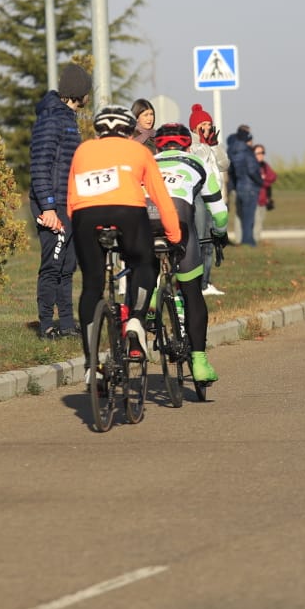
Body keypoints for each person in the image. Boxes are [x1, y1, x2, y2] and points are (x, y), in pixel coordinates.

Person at [68, 106, 182, 374]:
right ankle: (136, 320)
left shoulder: (83, 150)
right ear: (130, 130)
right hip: (129, 212)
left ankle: (91, 365)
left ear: (98, 130)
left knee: (91, 286)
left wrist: (80, 229)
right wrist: (175, 235)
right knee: (143, 264)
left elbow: (71, 200)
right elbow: (161, 197)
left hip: (86, 215)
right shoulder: (140, 151)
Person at [151, 122, 228, 385]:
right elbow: (219, 211)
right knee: (192, 293)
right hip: (180, 223)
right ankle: (199, 362)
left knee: (144, 272)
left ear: (157, 145)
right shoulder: (197, 162)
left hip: (144, 220)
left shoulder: (148, 160)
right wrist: (219, 233)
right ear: (187, 143)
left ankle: (149, 303)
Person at [28, 63, 90, 338]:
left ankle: (66, 323)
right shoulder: (52, 119)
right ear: (79, 92)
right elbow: (40, 165)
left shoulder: (68, 119)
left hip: (69, 204)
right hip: (53, 205)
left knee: (67, 266)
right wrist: (49, 207)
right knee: (52, 266)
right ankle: (46, 324)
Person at [188, 102, 227, 295]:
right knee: (201, 239)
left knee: (211, 241)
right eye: (202, 124)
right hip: (199, 198)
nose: (207, 127)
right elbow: (198, 160)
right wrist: (203, 143)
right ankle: (196, 283)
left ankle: (206, 281)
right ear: (194, 126)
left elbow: (224, 164)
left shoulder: (212, 143)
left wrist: (215, 146)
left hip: (215, 196)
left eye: (209, 124)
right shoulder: (191, 143)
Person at [226, 123, 262, 245]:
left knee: (243, 216)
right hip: (250, 187)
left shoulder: (233, 151)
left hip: (240, 186)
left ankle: (246, 240)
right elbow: (252, 170)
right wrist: (260, 181)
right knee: (249, 218)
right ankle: (248, 241)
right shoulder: (247, 152)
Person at [254, 142, 277, 242]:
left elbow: (273, 177)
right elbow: (256, 181)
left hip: (264, 200)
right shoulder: (252, 166)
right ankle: (254, 242)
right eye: (258, 153)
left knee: (261, 222)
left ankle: (256, 241)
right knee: (256, 222)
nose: (261, 155)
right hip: (254, 200)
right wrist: (263, 180)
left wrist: (264, 180)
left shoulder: (265, 165)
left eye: (262, 152)